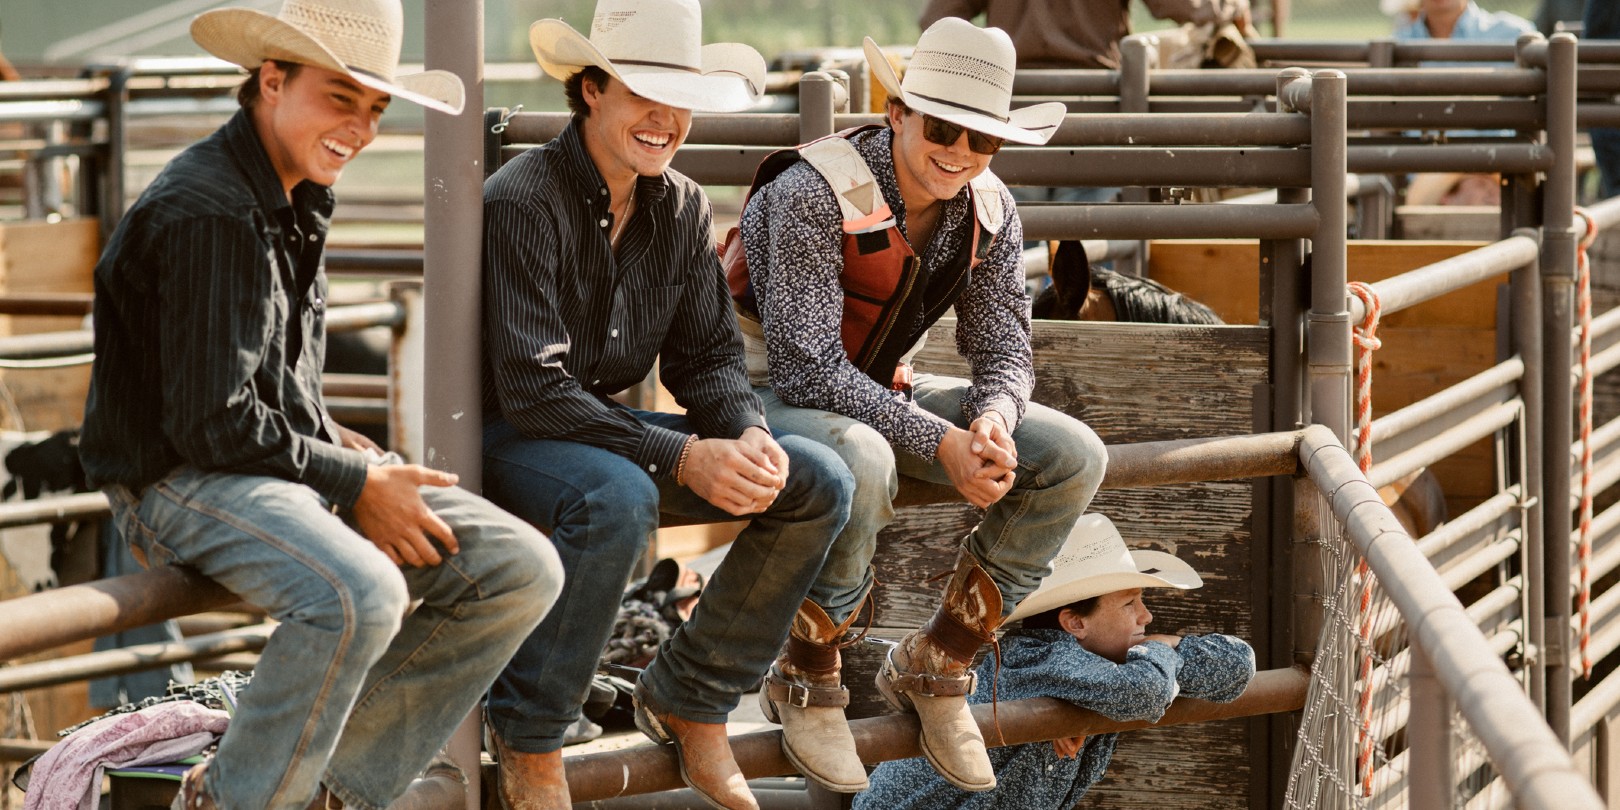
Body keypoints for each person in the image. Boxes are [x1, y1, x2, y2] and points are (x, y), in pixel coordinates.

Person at [76, 0, 565, 806]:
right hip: (175, 479)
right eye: (342, 97)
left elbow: (271, 393)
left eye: (374, 108)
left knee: (518, 568)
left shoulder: (291, 188)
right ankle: (236, 797)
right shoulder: (212, 209)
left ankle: (328, 789)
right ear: (272, 80)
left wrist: (355, 458)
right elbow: (210, 423)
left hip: (259, 463)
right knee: (357, 593)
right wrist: (356, 482)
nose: (362, 127)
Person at [479, 2, 855, 808]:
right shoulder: (522, 199)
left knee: (814, 477)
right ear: (590, 90)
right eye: (640, 93)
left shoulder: (681, 205)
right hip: (506, 431)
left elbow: (710, 356)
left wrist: (745, 434)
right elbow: (534, 390)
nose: (665, 118)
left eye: (679, 96)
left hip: (595, 430)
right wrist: (685, 453)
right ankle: (530, 732)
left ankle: (692, 695)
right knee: (617, 497)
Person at [732, 17, 1109, 796]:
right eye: (943, 127)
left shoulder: (990, 207)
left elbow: (1005, 344)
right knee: (861, 457)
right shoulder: (808, 192)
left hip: (878, 385)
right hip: (758, 391)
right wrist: (941, 441)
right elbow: (805, 371)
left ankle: (942, 661)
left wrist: (996, 416)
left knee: (1075, 455)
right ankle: (806, 672)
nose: (962, 154)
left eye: (984, 141)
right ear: (897, 111)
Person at [852, 514, 1256, 809]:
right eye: (1130, 603)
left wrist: (1151, 652)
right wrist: (1161, 651)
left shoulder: (1092, 669)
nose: (1146, 618)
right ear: (1074, 622)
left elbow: (1237, 666)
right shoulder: (1038, 656)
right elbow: (1147, 692)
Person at [919, 0, 1251, 71]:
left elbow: (936, 19)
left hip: (1012, 100)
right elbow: (1185, 6)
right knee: (1093, 233)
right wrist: (1232, 5)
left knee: (1017, 231)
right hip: (1096, 101)